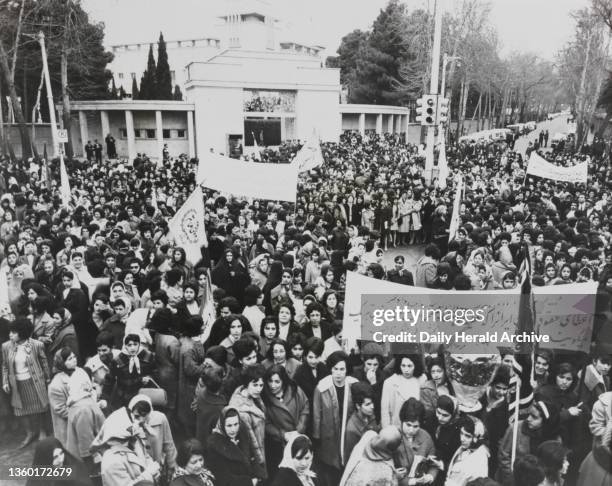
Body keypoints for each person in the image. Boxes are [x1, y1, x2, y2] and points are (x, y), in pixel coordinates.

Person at [2, 317, 51, 448]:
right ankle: (29, 433)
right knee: (20, 410)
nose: (10, 335)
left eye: (13, 332)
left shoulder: (36, 345)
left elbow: (44, 362)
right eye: (10, 332)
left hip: (34, 381)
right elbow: (5, 366)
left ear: (22, 332)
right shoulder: (6, 347)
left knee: (40, 407)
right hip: (17, 384)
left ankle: (42, 431)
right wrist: (5, 381)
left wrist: (47, 378)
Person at [312, 350, 359, 486]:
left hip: (348, 432)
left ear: (347, 370)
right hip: (329, 434)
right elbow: (316, 414)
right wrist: (317, 436)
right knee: (330, 470)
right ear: (331, 369)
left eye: (342, 369)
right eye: (335, 369)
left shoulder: (353, 384)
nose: (338, 373)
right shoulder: (322, 387)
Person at [497, 401, 560, 486]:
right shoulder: (516, 429)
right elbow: (503, 456)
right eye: (529, 414)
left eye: (534, 417)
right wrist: (514, 478)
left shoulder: (554, 439)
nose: (528, 419)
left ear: (545, 422)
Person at [262, 364, 310, 475]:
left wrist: (299, 429)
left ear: (283, 381)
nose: (273, 385)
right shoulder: (264, 398)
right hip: (279, 446)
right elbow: (266, 423)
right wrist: (283, 435)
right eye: (270, 381)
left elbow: (305, 407)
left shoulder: (295, 389)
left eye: (277, 382)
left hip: (299, 439)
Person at [228, 364, 268, 481]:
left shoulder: (250, 395)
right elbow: (251, 443)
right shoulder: (242, 412)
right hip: (253, 456)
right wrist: (260, 464)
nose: (259, 388)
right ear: (247, 384)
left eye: (261, 385)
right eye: (255, 385)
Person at [206, 407, 260, 486]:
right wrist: (249, 482)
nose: (233, 429)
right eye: (229, 425)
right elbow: (222, 478)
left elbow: (253, 457)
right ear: (222, 425)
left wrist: (257, 476)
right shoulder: (214, 445)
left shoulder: (242, 434)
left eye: (236, 424)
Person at [102, 334, 156, 409]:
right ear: (125, 346)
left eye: (135, 344)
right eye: (129, 345)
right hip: (125, 396)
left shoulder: (148, 355)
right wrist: (104, 398)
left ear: (139, 344)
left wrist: (149, 377)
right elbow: (109, 379)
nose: (132, 348)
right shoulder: (118, 360)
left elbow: (154, 371)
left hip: (144, 394)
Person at [394, 398, 438, 486]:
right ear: (401, 421)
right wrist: (394, 475)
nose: (411, 430)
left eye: (416, 426)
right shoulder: (392, 437)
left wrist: (430, 476)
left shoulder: (426, 437)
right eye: (408, 425)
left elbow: (434, 464)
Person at [27, 437, 94, 486]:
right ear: (44, 460)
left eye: (61, 453)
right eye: (55, 457)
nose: (60, 459)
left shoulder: (75, 469)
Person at [381, 354, 424, 428]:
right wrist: (387, 431)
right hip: (396, 427)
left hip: (415, 427)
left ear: (415, 366)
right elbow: (385, 411)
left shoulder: (422, 380)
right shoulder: (390, 382)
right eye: (403, 366)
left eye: (410, 366)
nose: (406, 369)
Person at [445, 416, 489, 486]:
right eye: (461, 433)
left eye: (467, 436)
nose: (462, 439)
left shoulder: (480, 459)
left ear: (476, 438)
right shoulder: (465, 447)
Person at [344, 382, 380, 461]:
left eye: (372, 402)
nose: (372, 407)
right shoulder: (352, 430)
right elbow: (351, 458)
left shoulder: (370, 415)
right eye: (367, 404)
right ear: (358, 406)